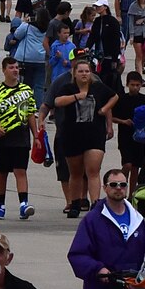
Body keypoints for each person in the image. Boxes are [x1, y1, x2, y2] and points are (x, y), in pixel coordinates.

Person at [51, 56, 116, 215]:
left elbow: (114, 97)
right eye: (80, 71)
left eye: (87, 71)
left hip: (94, 135)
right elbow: (57, 102)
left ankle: (95, 204)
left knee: (93, 170)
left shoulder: (98, 87)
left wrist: (104, 110)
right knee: (76, 172)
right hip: (72, 135)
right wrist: (77, 96)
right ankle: (75, 203)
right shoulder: (68, 88)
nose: (84, 74)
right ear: (74, 73)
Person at [0, 55, 43, 221]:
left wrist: (36, 135)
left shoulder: (26, 91)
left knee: (20, 170)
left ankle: (23, 204)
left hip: (21, 136)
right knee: (1, 172)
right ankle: (0, 206)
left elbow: (31, 113)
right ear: (4, 70)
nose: (15, 70)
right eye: (11, 68)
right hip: (2, 137)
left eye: (16, 67)